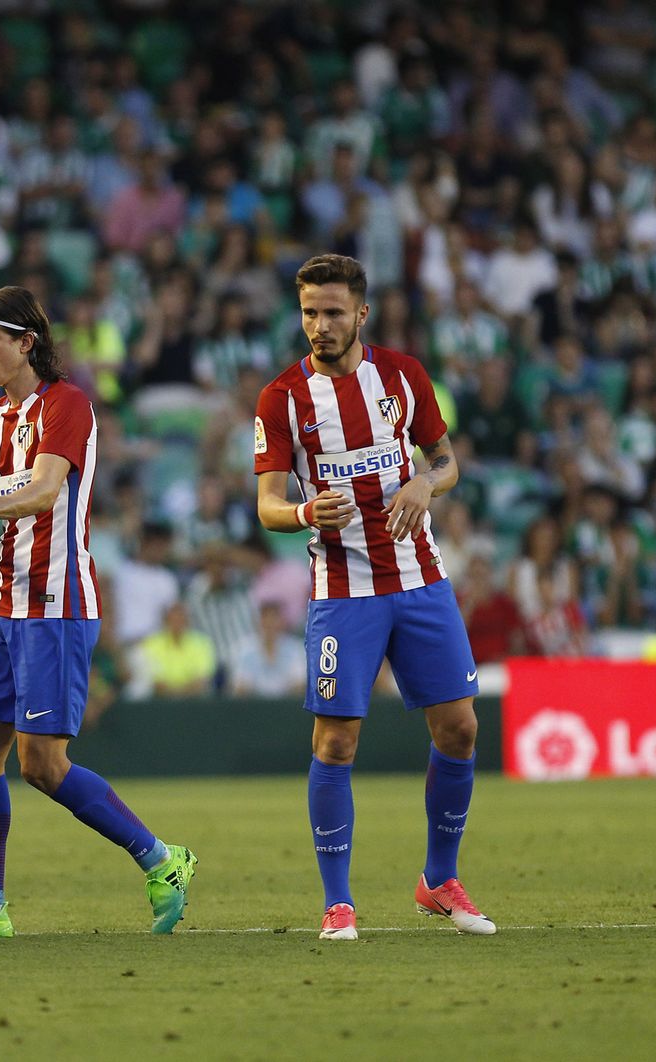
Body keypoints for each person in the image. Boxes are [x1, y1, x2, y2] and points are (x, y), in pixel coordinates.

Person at [0, 286, 198, 940]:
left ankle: (162, 860)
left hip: (57, 605)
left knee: (42, 766)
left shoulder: (67, 404)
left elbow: (46, 490)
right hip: (6, 606)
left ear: (26, 341)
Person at [252, 253, 494, 942]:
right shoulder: (282, 398)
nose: (319, 325)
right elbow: (268, 505)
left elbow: (445, 460)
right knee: (336, 741)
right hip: (343, 592)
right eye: (309, 312)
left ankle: (439, 879)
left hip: (420, 580)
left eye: (332, 312)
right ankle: (338, 903)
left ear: (361, 313)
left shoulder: (404, 376)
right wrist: (304, 513)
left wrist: (425, 482)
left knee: (460, 727)